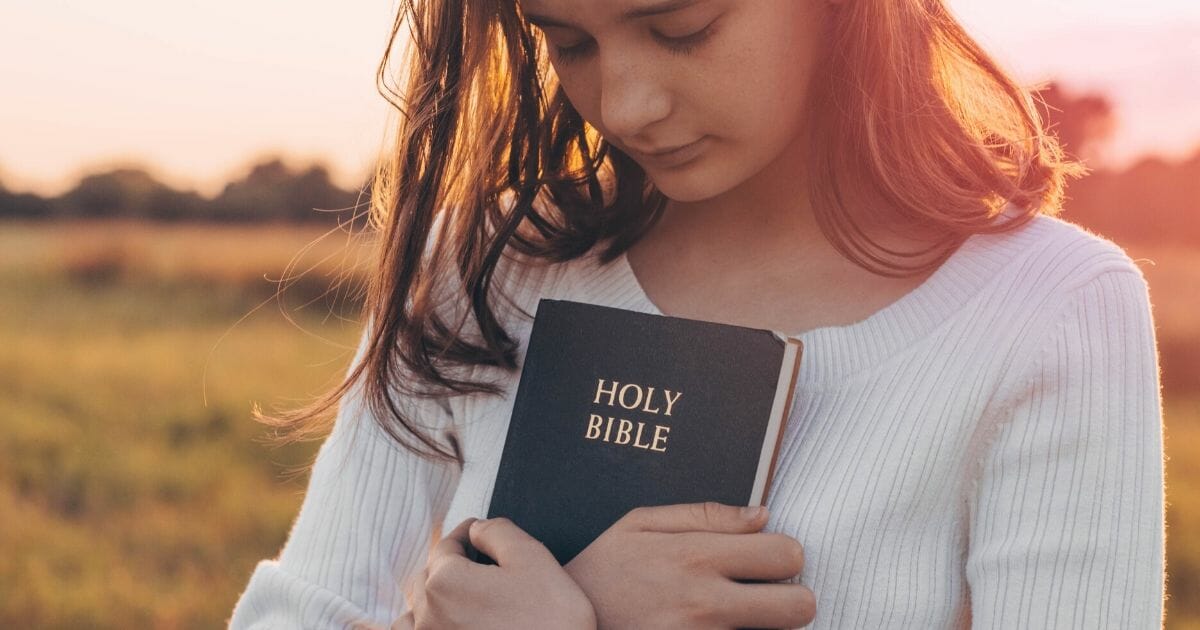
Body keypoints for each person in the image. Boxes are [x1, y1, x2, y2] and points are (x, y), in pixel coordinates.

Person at [228, 0, 1166, 627]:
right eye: (571, 41)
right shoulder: (481, 262)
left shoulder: (1052, 310)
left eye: (682, 27)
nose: (626, 106)